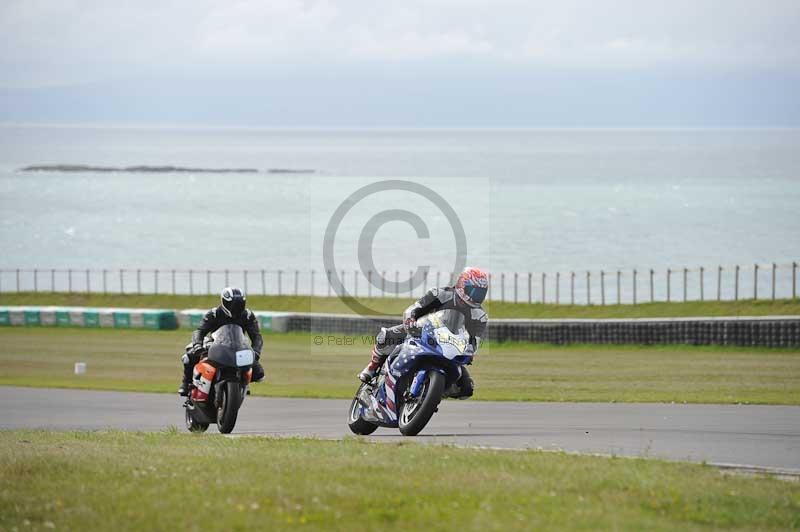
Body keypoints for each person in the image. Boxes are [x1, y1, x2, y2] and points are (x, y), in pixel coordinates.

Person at [358, 267, 489, 398]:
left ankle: (432, 392)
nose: (475, 296)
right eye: (473, 291)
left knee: (467, 388)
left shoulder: (480, 315)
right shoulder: (441, 294)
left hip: (450, 347)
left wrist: (469, 351)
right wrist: (410, 319)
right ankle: (372, 367)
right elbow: (415, 308)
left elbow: (475, 340)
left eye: (480, 293)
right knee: (386, 336)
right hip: (422, 331)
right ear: (462, 285)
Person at [178, 286, 265, 396]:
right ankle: (186, 383)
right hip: (215, 345)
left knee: (259, 374)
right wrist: (197, 345)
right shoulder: (214, 314)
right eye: (233, 304)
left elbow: (257, 337)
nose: (236, 307)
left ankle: (242, 384)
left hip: (238, 347)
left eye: (239, 304)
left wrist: (256, 352)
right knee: (189, 355)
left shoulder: (247, 316)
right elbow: (200, 331)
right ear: (224, 302)